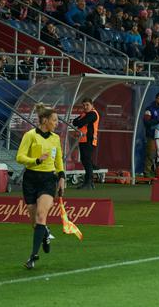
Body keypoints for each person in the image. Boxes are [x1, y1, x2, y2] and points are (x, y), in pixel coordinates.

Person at [16, 103, 65, 269]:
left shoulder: (55, 138)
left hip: (47, 179)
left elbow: (58, 160)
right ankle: (45, 234)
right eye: (54, 120)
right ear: (44, 120)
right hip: (30, 178)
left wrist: (62, 177)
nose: (57, 123)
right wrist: (35, 160)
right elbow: (19, 157)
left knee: (41, 215)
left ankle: (33, 257)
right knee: (35, 222)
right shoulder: (30, 135)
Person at [72, 97, 100, 190]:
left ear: (92, 105)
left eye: (87, 105)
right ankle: (89, 182)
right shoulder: (85, 114)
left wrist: (80, 122)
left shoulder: (92, 114)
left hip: (89, 140)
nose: (85, 107)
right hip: (83, 140)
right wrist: (80, 122)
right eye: (84, 105)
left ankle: (88, 182)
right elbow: (75, 122)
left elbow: (81, 122)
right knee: (85, 161)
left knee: (86, 161)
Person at [143, 92, 159, 177]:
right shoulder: (149, 109)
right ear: (156, 99)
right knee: (150, 154)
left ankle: (157, 172)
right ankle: (147, 172)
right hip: (152, 136)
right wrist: (157, 121)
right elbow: (146, 123)